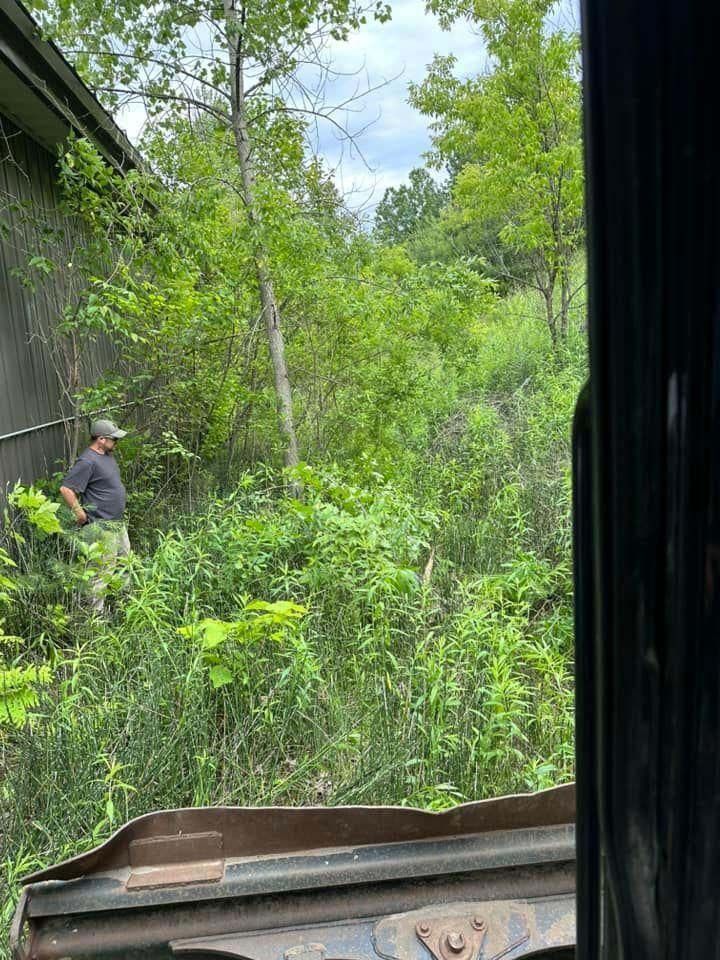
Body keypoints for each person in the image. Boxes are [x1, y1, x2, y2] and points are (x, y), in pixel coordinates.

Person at [59, 418, 130, 613]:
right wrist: (80, 514)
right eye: (113, 439)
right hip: (101, 526)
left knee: (125, 565)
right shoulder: (87, 461)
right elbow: (66, 489)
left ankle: (123, 609)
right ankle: (96, 621)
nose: (116, 442)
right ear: (100, 439)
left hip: (117, 523)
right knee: (102, 572)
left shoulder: (107, 455)